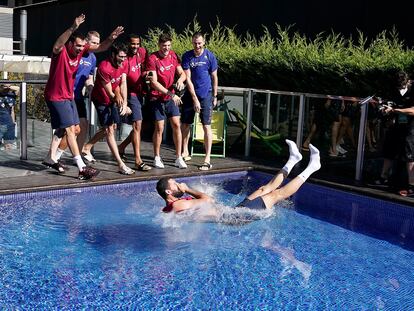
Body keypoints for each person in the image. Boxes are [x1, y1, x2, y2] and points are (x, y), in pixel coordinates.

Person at [42, 13, 124, 180]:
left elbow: (101, 47)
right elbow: (58, 43)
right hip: (56, 96)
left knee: (67, 128)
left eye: (82, 47)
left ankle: (50, 157)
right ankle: (81, 167)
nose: (80, 49)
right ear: (70, 43)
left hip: (69, 96)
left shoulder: (83, 53)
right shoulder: (61, 52)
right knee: (71, 129)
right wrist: (73, 27)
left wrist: (111, 38)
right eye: (77, 46)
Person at [156, 139, 321, 216]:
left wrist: (185, 190)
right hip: (236, 218)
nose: (179, 184)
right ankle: (313, 167)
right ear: (169, 191)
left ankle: (293, 160)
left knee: (264, 189)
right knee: (276, 194)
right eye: (176, 184)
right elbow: (208, 200)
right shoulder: (177, 206)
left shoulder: (172, 207)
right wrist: (188, 189)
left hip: (234, 212)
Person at [86, 41, 135, 175]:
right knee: (109, 130)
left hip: (114, 97)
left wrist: (125, 103)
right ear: (113, 55)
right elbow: (110, 93)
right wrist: (120, 103)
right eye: (120, 57)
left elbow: (123, 83)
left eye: (125, 57)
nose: (123, 60)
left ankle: (87, 147)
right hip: (101, 99)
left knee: (112, 127)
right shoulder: (104, 67)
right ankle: (120, 164)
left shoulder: (124, 63)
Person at [54, 30, 100, 164]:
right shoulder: (76, 53)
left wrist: (90, 86)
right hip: (66, 95)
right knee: (71, 129)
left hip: (78, 96)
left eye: (98, 44)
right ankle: (56, 156)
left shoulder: (93, 58)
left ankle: (76, 154)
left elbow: (89, 77)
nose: (95, 46)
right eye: (93, 43)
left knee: (82, 126)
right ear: (86, 42)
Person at [146, 33, 187, 169]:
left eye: (169, 45)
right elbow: (154, 82)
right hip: (157, 97)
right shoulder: (152, 58)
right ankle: (157, 157)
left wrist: (180, 81)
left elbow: (182, 73)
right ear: (159, 45)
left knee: (176, 124)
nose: (166, 48)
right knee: (160, 127)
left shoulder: (173, 55)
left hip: (171, 97)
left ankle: (178, 157)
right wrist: (171, 94)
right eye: (164, 46)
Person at [180, 32, 219, 170]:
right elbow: (188, 79)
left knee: (206, 126)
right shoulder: (187, 56)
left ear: (204, 42)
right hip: (191, 96)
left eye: (199, 43)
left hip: (206, 95)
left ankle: (207, 158)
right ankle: (185, 150)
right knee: (185, 124)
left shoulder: (210, 56)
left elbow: (214, 77)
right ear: (192, 42)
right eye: (195, 43)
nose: (197, 45)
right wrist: (194, 99)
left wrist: (214, 96)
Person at [116, 34, 152, 171]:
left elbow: (145, 67)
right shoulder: (124, 59)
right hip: (130, 94)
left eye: (137, 44)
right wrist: (123, 100)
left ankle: (121, 146)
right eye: (133, 44)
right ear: (128, 44)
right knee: (137, 124)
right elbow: (122, 81)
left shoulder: (142, 52)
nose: (135, 46)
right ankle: (138, 160)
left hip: (142, 92)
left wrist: (146, 75)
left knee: (143, 126)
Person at [376, 71, 414, 197]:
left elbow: (413, 111)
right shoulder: (392, 89)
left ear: (407, 82)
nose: (400, 88)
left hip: (411, 126)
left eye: (402, 86)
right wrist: (385, 109)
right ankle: (383, 177)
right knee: (389, 150)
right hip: (396, 124)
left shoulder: (413, 90)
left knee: (409, 154)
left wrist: (395, 110)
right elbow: (385, 104)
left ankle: (411, 185)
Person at [0, 84, 19, 150]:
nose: (7, 88)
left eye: (9, 86)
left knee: (8, 146)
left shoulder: (11, 95)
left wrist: (13, 123)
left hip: (9, 123)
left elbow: (18, 88)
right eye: (5, 86)